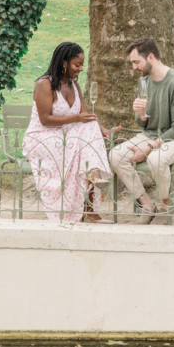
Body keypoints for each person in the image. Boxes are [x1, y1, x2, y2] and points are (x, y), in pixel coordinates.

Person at [108, 38, 174, 224]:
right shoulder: (144, 82)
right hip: (150, 135)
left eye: (136, 62)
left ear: (151, 57)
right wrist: (141, 115)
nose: (134, 67)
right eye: (132, 63)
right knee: (115, 155)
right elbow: (144, 125)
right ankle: (147, 205)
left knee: (156, 158)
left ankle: (165, 206)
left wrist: (150, 147)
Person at [26, 41, 112, 222]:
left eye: (82, 64)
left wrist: (100, 128)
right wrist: (77, 120)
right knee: (79, 147)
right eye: (77, 64)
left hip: (67, 137)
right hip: (43, 136)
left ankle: (88, 202)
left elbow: (84, 115)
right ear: (64, 63)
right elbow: (45, 119)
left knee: (87, 132)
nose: (81, 68)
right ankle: (87, 200)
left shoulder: (74, 85)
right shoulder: (45, 84)